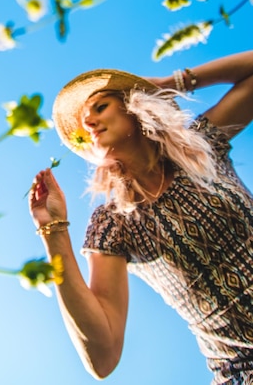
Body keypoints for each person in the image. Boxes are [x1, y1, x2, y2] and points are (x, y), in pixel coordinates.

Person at [28, 51, 253, 385]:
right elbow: (102, 358)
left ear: (134, 108)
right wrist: (52, 232)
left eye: (100, 107)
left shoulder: (200, 149)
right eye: (83, 125)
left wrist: (169, 83)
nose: (88, 124)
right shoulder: (112, 224)